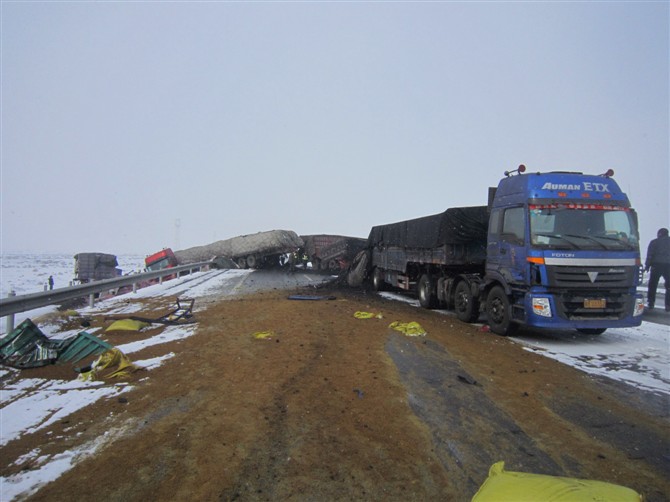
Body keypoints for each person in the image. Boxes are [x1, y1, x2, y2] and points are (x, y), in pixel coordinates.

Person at [644, 228, 670, 311]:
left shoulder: (654, 242)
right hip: (668, 266)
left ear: (659, 234)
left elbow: (650, 255)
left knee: (653, 285)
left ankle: (651, 302)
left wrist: (647, 266)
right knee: (669, 286)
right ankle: (668, 305)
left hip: (656, 265)